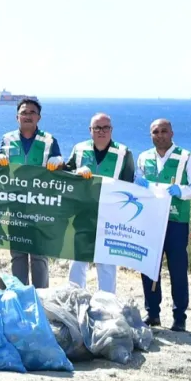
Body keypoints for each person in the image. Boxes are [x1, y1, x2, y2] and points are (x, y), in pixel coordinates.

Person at [135, 118, 191, 331]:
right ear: (151, 135)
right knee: (148, 267)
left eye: (164, 131)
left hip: (176, 221)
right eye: (155, 132)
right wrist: (139, 184)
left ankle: (179, 316)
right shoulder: (143, 157)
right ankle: (152, 313)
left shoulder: (188, 157)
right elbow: (138, 183)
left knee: (178, 269)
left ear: (172, 133)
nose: (160, 135)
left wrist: (181, 191)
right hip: (150, 220)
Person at [64, 113, 134, 294]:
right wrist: (76, 172)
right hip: (82, 214)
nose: (101, 131)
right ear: (90, 130)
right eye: (97, 128)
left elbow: (129, 187)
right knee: (77, 260)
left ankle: (106, 303)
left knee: (106, 263)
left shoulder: (124, 153)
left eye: (105, 127)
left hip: (110, 216)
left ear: (111, 130)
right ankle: (75, 298)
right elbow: (66, 177)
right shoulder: (79, 149)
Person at [0, 98, 62, 288]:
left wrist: (59, 161)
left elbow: (60, 165)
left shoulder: (49, 140)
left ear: (39, 117)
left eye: (32, 112)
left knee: (39, 255)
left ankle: (41, 295)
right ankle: (20, 293)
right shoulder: (7, 139)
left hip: (40, 206)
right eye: (24, 112)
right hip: (15, 205)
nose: (27, 115)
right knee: (18, 254)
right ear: (17, 117)